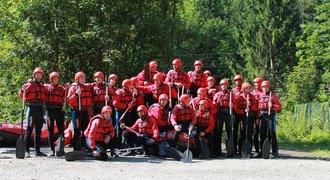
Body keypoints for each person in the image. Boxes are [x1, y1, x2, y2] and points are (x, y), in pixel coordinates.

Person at [19, 67, 47, 157]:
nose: (39, 76)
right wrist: (22, 89)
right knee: (29, 131)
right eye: (37, 74)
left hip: (39, 109)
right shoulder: (30, 84)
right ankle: (27, 151)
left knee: (38, 131)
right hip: (32, 109)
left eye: (40, 75)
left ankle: (37, 151)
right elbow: (21, 95)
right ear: (34, 75)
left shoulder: (42, 86)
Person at [67, 71, 93, 150]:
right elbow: (69, 101)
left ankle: (85, 147)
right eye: (81, 78)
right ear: (77, 79)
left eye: (84, 78)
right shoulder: (73, 87)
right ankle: (76, 148)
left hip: (85, 111)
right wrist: (76, 94)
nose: (83, 79)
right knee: (77, 130)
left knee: (85, 130)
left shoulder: (86, 87)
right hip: (76, 112)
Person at [44, 71, 66, 156]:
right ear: (51, 79)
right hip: (49, 110)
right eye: (54, 78)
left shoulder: (62, 88)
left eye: (57, 78)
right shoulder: (46, 87)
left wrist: (67, 87)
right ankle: (51, 149)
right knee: (50, 130)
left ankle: (61, 149)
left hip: (59, 110)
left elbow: (67, 95)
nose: (56, 80)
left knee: (61, 130)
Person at [258, 80, 282, 158]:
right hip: (262, 115)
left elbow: (279, 106)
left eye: (266, 87)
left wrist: (272, 106)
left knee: (272, 133)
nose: (265, 88)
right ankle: (263, 151)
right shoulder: (260, 95)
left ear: (268, 87)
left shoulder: (272, 95)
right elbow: (258, 107)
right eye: (263, 87)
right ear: (262, 88)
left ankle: (274, 152)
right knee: (262, 134)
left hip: (270, 115)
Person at [234, 82, 258, 157]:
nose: (248, 89)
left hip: (250, 118)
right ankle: (241, 150)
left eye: (249, 88)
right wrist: (243, 111)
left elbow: (256, 108)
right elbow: (236, 109)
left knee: (249, 134)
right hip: (242, 117)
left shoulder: (252, 97)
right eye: (246, 88)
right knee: (242, 133)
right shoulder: (239, 97)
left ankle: (249, 151)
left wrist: (250, 106)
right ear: (243, 89)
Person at [213, 79, 235, 156]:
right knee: (218, 132)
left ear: (227, 86)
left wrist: (232, 105)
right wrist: (217, 103)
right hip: (219, 114)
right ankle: (218, 151)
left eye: (225, 85)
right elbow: (214, 104)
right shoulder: (217, 94)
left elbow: (235, 104)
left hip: (228, 113)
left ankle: (229, 150)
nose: (223, 86)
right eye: (222, 85)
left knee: (229, 132)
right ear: (220, 86)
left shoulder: (231, 94)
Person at [112, 79, 136, 147]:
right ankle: (118, 145)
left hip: (127, 112)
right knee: (119, 128)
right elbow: (115, 103)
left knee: (127, 127)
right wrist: (125, 105)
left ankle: (126, 143)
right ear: (127, 85)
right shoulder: (119, 92)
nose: (131, 86)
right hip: (120, 112)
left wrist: (133, 102)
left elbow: (132, 104)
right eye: (130, 85)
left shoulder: (130, 92)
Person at [251, 77, 264, 156]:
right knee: (255, 133)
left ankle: (263, 150)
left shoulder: (264, 93)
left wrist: (258, 117)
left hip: (262, 115)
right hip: (254, 116)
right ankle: (256, 150)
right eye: (254, 83)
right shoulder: (252, 93)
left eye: (257, 83)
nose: (255, 84)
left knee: (263, 133)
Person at [231, 74, 243, 154]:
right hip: (235, 113)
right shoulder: (232, 91)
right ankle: (234, 147)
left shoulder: (244, 89)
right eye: (236, 80)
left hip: (242, 113)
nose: (237, 82)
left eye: (239, 80)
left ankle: (241, 147)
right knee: (235, 131)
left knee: (242, 131)